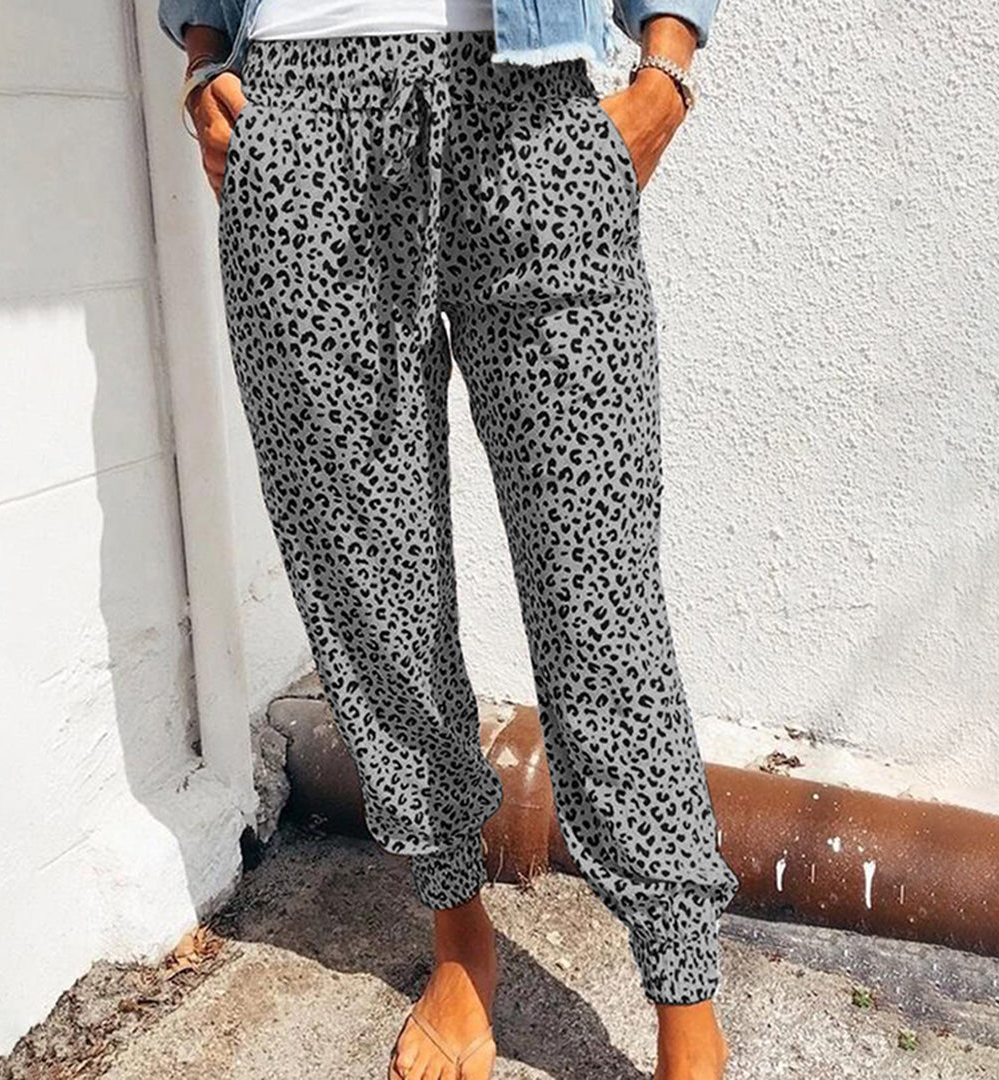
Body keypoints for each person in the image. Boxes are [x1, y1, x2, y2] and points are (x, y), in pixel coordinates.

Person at [158, 0, 739, 1076]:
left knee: (598, 584)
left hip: (529, 110)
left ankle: (684, 988)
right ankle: (459, 937)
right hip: (301, 123)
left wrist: (666, 67)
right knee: (370, 585)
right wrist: (203, 57)